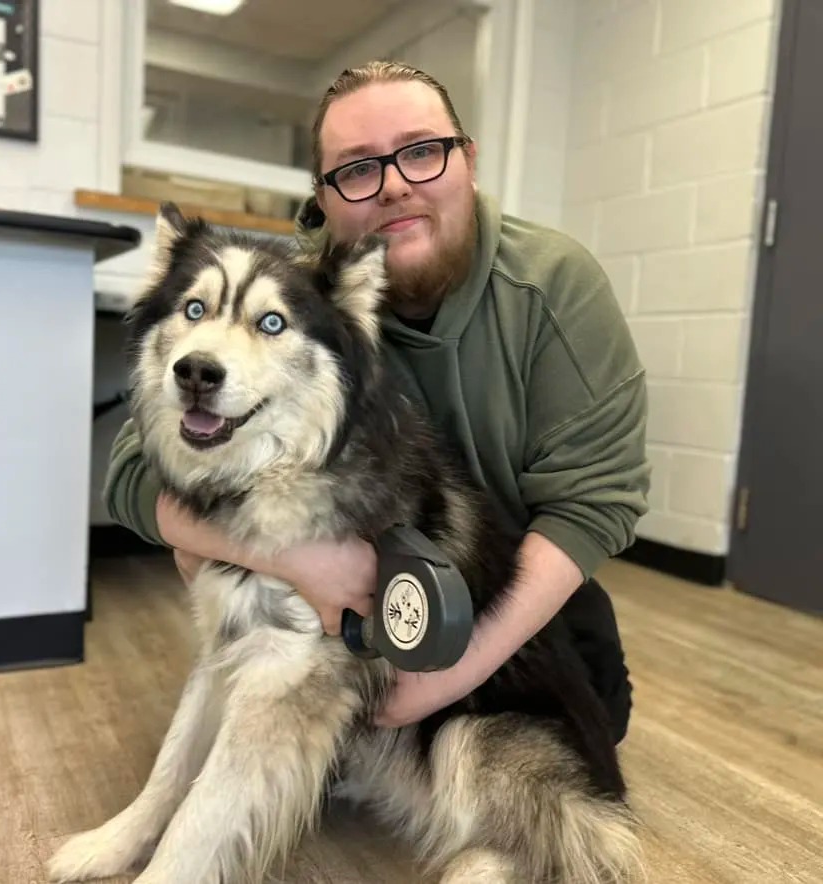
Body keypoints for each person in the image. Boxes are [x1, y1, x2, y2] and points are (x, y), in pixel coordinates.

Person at [103, 60, 650, 743]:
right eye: (358, 169)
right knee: (208, 552)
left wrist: (451, 673)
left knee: (594, 718)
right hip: (339, 577)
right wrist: (298, 563)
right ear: (323, 199)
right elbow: (132, 473)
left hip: (499, 575)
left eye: (421, 152)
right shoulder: (296, 293)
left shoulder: (556, 285)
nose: (394, 186)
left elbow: (595, 503)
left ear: (468, 163)